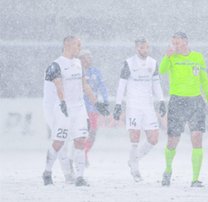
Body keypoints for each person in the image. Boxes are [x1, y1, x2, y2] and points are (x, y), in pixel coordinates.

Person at [42, 36, 110, 186]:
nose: (80, 48)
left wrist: (96, 103)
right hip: (62, 108)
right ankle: (47, 172)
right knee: (59, 142)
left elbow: (85, 85)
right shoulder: (55, 65)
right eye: (78, 45)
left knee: (80, 140)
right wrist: (63, 103)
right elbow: (59, 86)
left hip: (79, 108)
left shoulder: (78, 63)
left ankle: (79, 177)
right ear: (69, 45)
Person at [159, 32, 208, 187]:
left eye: (177, 43)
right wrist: (167, 56)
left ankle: (195, 179)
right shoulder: (172, 57)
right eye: (173, 43)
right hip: (177, 101)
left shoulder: (197, 57)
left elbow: (204, 81)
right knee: (173, 140)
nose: (174, 46)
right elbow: (162, 70)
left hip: (195, 102)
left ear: (185, 42)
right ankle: (168, 169)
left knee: (197, 137)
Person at [112, 37, 166, 182]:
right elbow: (122, 85)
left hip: (148, 106)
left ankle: (133, 159)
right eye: (142, 48)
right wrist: (118, 104)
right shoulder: (129, 63)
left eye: (147, 47)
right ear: (137, 48)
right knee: (135, 138)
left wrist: (161, 101)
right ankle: (135, 168)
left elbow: (156, 84)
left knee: (154, 139)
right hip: (133, 106)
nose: (145, 50)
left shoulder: (153, 63)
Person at [78, 49, 109, 166]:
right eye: (86, 57)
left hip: (93, 108)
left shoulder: (95, 72)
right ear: (80, 59)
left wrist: (105, 101)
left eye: (90, 57)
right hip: (79, 108)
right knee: (80, 133)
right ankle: (77, 156)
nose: (89, 60)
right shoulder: (75, 72)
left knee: (93, 132)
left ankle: (84, 152)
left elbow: (103, 87)